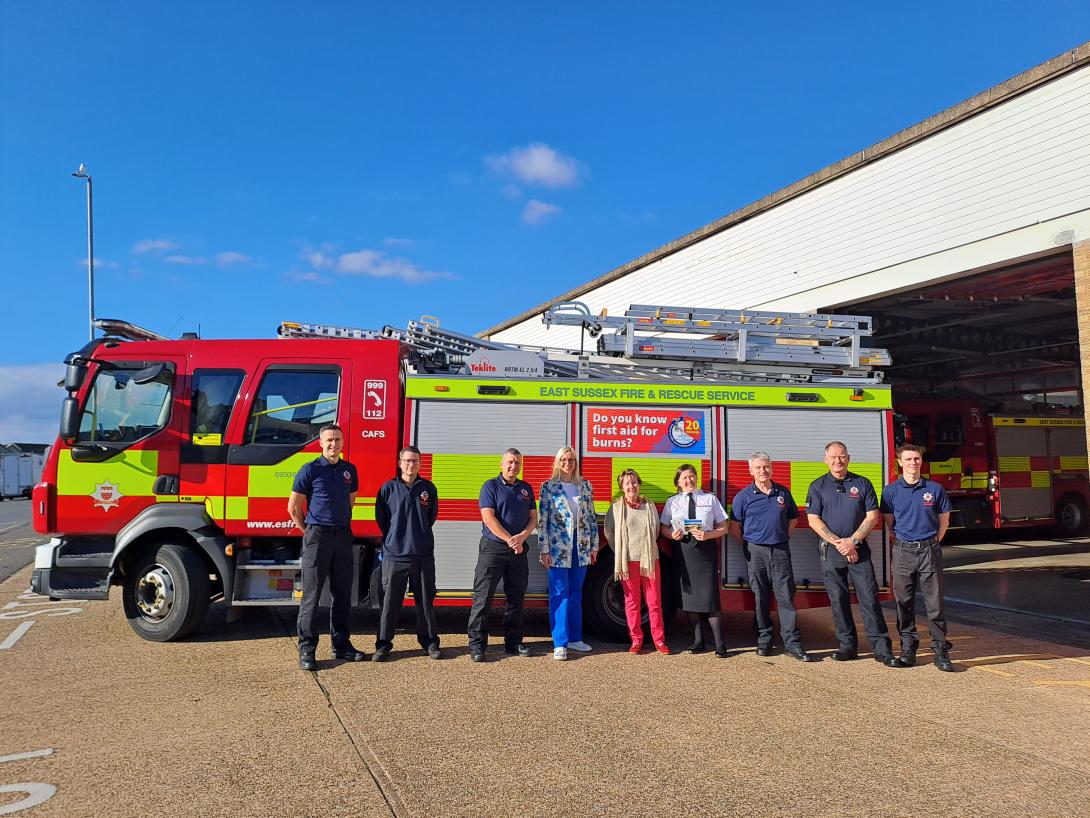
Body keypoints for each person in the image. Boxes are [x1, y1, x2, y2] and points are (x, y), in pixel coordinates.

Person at [806, 442, 905, 668]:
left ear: (848, 458)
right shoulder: (817, 486)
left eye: (842, 456)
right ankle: (847, 647)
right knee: (838, 600)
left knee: (869, 598)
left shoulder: (862, 483)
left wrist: (852, 542)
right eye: (833, 457)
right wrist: (839, 543)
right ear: (825, 460)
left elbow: (872, 516)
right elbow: (813, 519)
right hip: (831, 552)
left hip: (859, 550)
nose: (837, 461)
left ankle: (882, 650)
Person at [287, 423, 366, 671]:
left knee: (342, 595)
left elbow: (350, 502)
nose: (333, 444)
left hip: (342, 535)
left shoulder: (349, 470)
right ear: (321, 443)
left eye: (337, 439)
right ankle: (307, 649)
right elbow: (293, 507)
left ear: (342, 443)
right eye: (329, 440)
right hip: (317, 536)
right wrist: (309, 531)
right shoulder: (309, 469)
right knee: (311, 596)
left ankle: (341, 645)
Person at [730, 452, 813, 662]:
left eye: (766, 467)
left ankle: (792, 643)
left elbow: (793, 519)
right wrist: (750, 545)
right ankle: (764, 640)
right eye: (758, 467)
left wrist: (782, 537)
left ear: (771, 468)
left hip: (780, 550)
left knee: (786, 596)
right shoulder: (743, 497)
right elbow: (734, 526)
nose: (763, 471)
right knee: (761, 597)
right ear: (751, 471)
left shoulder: (782, 493)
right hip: (755, 552)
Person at [881, 444, 954, 672]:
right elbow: (889, 520)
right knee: (903, 603)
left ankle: (940, 651)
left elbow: (944, 519)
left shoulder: (935, 489)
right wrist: (904, 540)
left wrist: (933, 541)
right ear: (900, 463)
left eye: (917, 459)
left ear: (921, 461)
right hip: (903, 552)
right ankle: (908, 650)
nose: (913, 463)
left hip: (929, 551)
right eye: (909, 459)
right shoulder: (890, 491)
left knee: (935, 604)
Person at [467, 449, 537, 662]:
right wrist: (510, 539)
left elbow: (533, 518)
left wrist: (522, 537)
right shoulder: (490, 486)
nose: (513, 466)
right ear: (501, 464)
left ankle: (513, 642)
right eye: (510, 462)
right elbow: (488, 518)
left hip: (518, 550)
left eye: (517, 463)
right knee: (483, 597)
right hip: (493, 549)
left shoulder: (526, 488)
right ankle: (477, 645)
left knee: (516, 597)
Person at [373, 446, 440, 662]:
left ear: (420, 463)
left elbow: (431, 517)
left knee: (425, 602)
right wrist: (394, 538)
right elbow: (382, 519)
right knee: (390, 603)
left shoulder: (428, 488)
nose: (411, 464)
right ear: (400, 463)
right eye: (408, 460)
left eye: (415, 461)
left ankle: (430, 642)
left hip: (422, 554)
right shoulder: (388, 488)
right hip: (395, 555)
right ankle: (383, 645)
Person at [660, 464, 729, 658]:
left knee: (710, 598)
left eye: (691, 476)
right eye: (684, 478)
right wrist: (671, 535)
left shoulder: (709, 498)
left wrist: (708, 535)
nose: (688, 480)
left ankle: (720, 643)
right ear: (678, 482)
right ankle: (698, 641)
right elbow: (663, 527)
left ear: (696, 478)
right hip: (683, 550)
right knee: (689, 599)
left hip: (705, 550)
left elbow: (724, 526)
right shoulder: (672, 502)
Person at [538, 446, 599, 661]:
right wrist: (544, 549)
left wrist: (594, 546)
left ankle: (575, 638)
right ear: (557, 462)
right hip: (557, 549)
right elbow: (542, 521)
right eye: (563, 459)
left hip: (580, 548)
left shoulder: (585, 486)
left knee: (575, 593)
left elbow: (591, 518)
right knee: (559, 593)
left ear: (576, 462)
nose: (567, 463)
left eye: (571, 459)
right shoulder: (548, 487)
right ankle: (560, 642)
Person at [604, 468, 669, 654]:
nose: (631, 486)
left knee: (654, 602)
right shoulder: (616, 508)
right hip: (628, 561)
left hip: (649, 559)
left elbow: (656, 530)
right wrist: (621, 553)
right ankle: (636, 640)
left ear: (639, 484)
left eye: (634, 482)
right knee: (632, 602)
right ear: (622, 487)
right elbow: (609, 532)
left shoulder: (649, 505)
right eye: (627, 483)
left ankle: (659, 641)